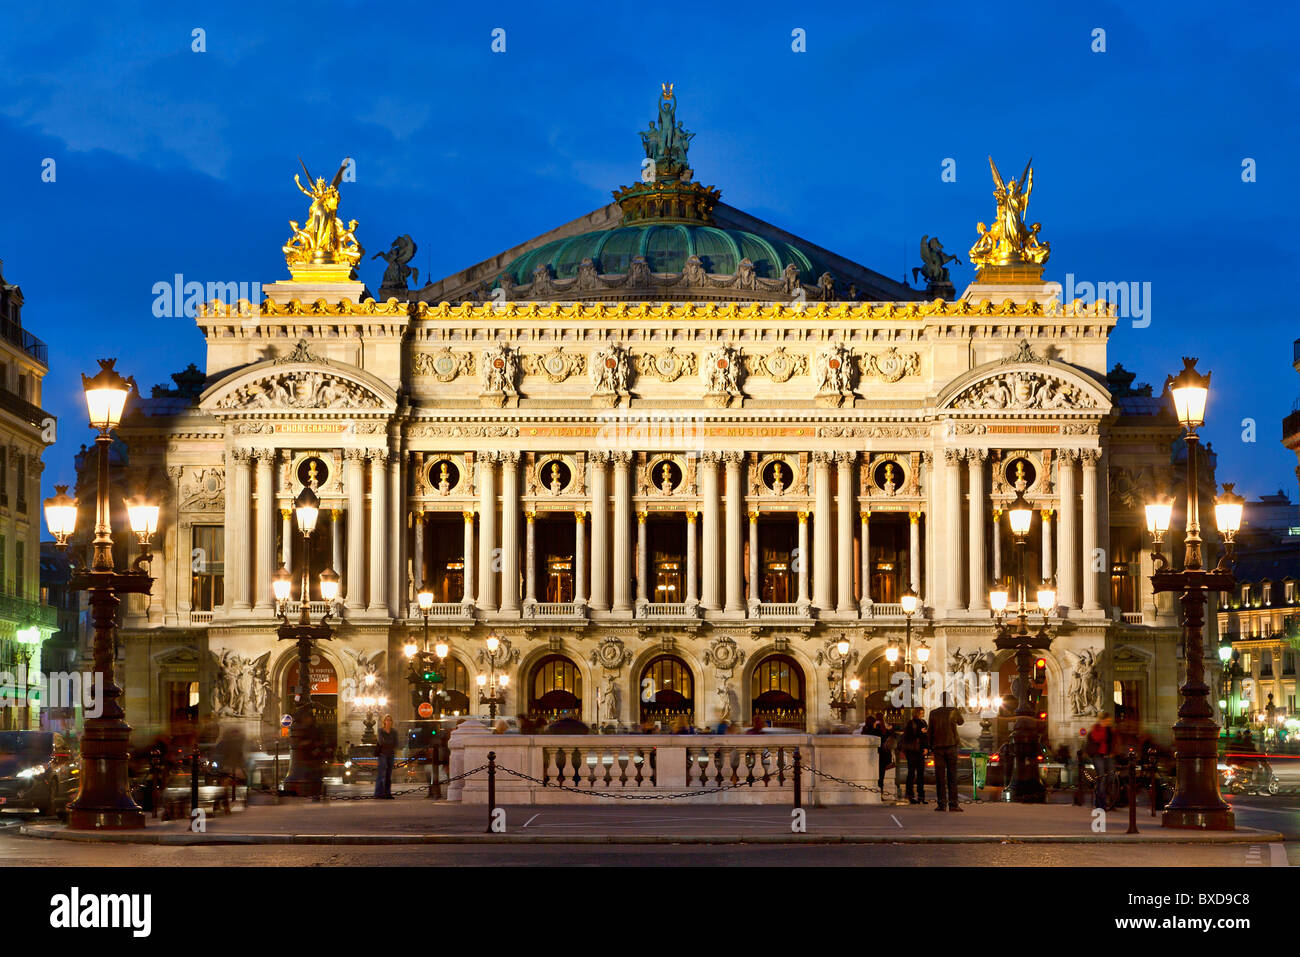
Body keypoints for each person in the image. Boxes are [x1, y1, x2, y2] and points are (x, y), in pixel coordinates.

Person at [928, 693, 965, 812]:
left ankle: (941, 804)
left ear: (939, 700)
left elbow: (930, 732)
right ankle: (953, 804)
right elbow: (961, 722)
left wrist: (929, 747)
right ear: (949, 700)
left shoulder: (933, 713)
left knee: (940, 777)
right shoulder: (954, 711)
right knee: (952, 776)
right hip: (951, 746)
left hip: (938, 747)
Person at [1085, 711, 1116, 809]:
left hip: (1109, 755)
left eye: (1109, 721)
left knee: (1111, 777)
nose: (1109, 722)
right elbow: (1097, 738)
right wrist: (1103, 727)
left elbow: (1114, 741)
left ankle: (1110, 800)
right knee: (1101, 778)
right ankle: (1100, 802)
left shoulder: (1110, 729)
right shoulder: (1097, 728)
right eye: (1107, 720)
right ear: (1103, 720)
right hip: (1098, 755)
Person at [900, 707, 929, 804]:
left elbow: (926, 737)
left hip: (920, 751)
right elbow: (909, 736)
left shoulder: (924, 722)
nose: (922, 714)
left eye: (922, 712)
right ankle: (910, 795)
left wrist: (926, 748)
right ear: (916, 713)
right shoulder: (911, 723)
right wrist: (920, 732)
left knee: (921, 774)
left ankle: (921, 796)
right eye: (920, 712)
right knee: (911, 773)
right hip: (912, 751)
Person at [374, 714, 397, 799]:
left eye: (390, 720)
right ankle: (378, 793)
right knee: (381, 774)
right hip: (382, 754)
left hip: (390, 754)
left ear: (391, 722)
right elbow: (380, 741)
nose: (388, 721)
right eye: (387, 720)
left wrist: (387, 743)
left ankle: (387, 793)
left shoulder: (394, 731)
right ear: (384, 721)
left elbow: (396, 743)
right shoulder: (381, 730)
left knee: (388, 774)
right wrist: (388, 744)